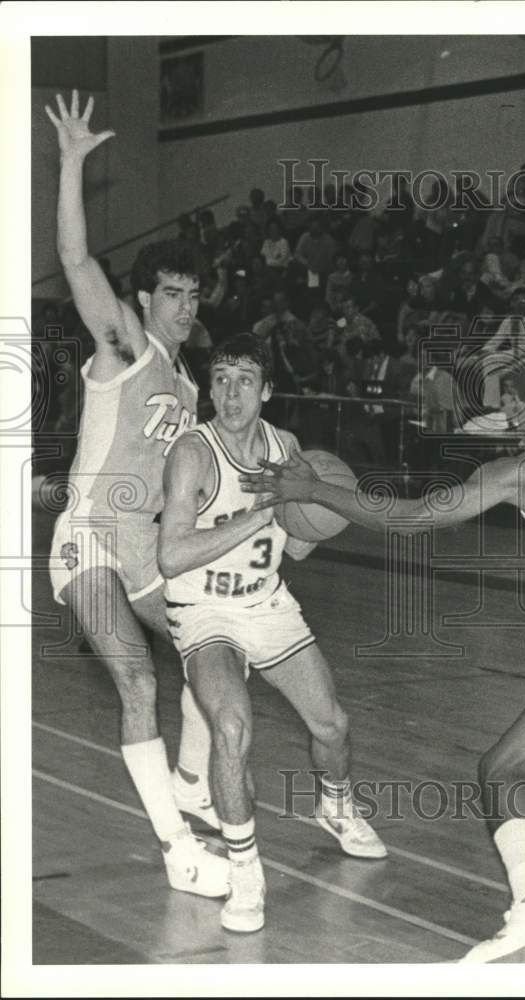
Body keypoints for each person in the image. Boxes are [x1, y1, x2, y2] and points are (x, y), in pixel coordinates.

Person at [241, 368, 525, 963]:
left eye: (515, 401)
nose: (508, 413)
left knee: (505, 770)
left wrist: (314, 491)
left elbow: (413, 517)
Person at [44, 90, 226, 897]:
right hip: (88, 539)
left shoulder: (188, 388)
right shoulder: (126, 346)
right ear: (146, 301)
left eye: (196, 296)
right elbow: (80, 265)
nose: (188, 308)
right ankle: (176, 847)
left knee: (213, 654)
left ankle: (190, 783)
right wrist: (73, 165)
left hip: (147, 548)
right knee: (140, 683)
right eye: (175, 294)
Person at [158, 334, 387, 933]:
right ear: (210, 388)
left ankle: (335, 807)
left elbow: (303, 546)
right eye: (222, 379)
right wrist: (262, 512)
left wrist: (318, 508)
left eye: (245, 380)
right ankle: (245, 868)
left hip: (267, 602)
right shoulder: (192, 453)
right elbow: (172, 556)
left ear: (267, 390)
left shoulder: (287, 450)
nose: (231, 392)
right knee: (231, 726)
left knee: (332, 725)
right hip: (204, 611)